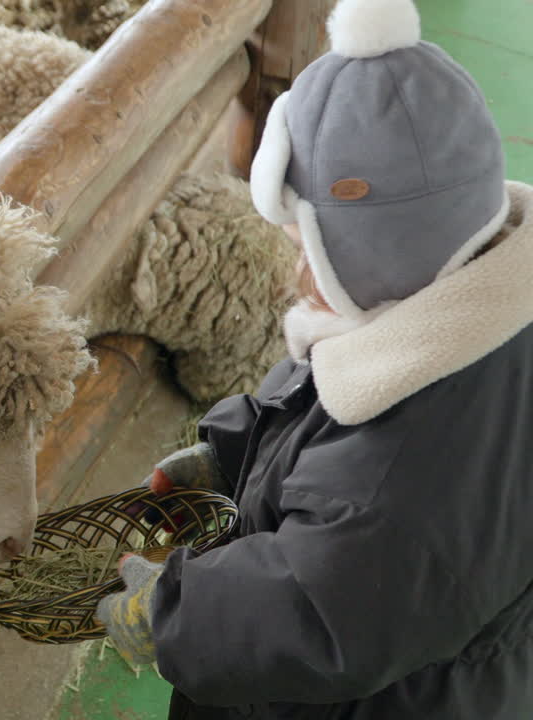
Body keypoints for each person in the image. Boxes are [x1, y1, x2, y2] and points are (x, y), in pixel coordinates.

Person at [94, 0, 533, 717]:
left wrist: (169, 611)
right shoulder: (468, 309)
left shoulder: (405, 477)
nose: (298, 269)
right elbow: (330, 406)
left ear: (385, 250)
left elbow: (314, 616)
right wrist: (236, 456)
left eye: (311, 244)